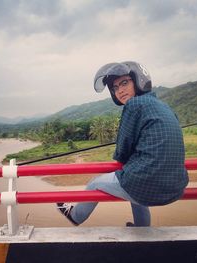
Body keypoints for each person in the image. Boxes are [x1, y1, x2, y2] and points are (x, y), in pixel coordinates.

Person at [57, 61, 189, 227]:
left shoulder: (134, 105)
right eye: (115, 87)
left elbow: (122, 150)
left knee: (94, 183)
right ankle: (142, 227)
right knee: (137, 188)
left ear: (138, 81)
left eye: (125, 83)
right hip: (176, 186)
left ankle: (75, 216)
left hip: (149, 182)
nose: (120, 90)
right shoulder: (164, 106)